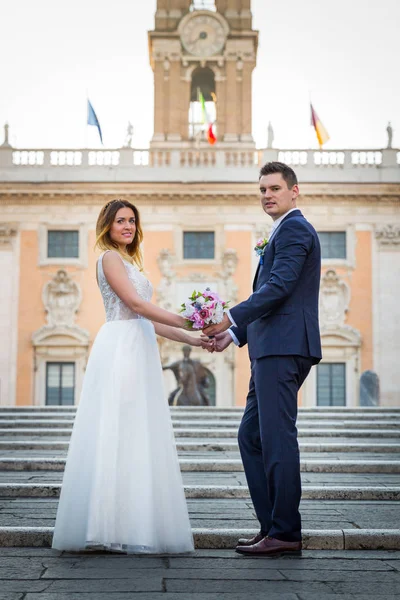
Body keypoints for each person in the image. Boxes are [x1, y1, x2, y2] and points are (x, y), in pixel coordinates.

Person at [52, 199, 210, 554]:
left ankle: (129, 520)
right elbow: (136, 306)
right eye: (120, 221)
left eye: (132, 221)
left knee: (135, 430)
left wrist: (192, 338)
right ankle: (104, 523)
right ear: (107, 225)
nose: (127, 226)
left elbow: (147, 320)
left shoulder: (130, 263)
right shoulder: (109, 258)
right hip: (121, 348)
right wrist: (192, 320)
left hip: (138, 344)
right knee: (117, 427)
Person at [203, 162, 322, 557]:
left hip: (283, 348)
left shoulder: (295, 230)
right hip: (270, 346)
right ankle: (272, 526)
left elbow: (279, 287)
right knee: (252, 437)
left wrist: (231, 317)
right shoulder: (282, 231)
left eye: (274, 188)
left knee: (276, 439)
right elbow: (275, 297)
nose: (267, 195)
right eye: (262, 190)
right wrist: (233, 336)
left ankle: (285, 531)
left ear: (294, 191)